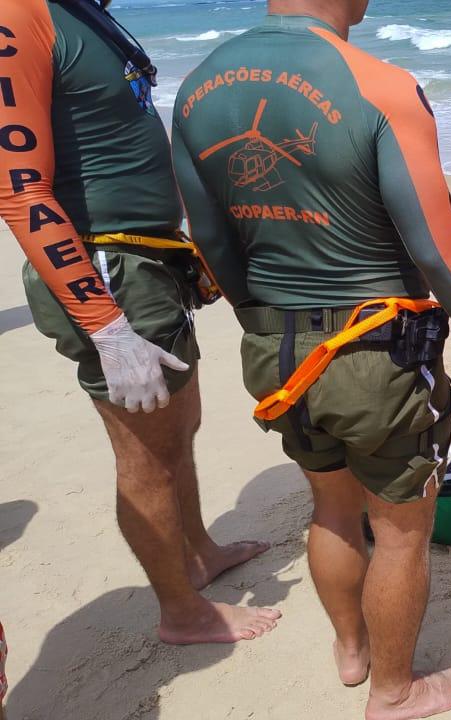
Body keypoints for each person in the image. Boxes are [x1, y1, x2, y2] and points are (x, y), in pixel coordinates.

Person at [171, 1, 451, 715]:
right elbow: (438, 251)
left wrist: (265, 324)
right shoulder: (378, 85)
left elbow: (213, 244)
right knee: (402, 528)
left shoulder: (196, 88)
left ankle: (352, 649)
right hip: (373, 351)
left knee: (332, 506)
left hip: (275, 348)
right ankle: (395, 691)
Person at [0, 0, 278, 645]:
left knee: (182, 426)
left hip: (152, 257)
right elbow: (18, 187)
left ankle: (199, 551)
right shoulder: (19, 13)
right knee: (147, 452)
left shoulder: (82, 11)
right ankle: (181, 612)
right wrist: (105, 325)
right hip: (106, 269)